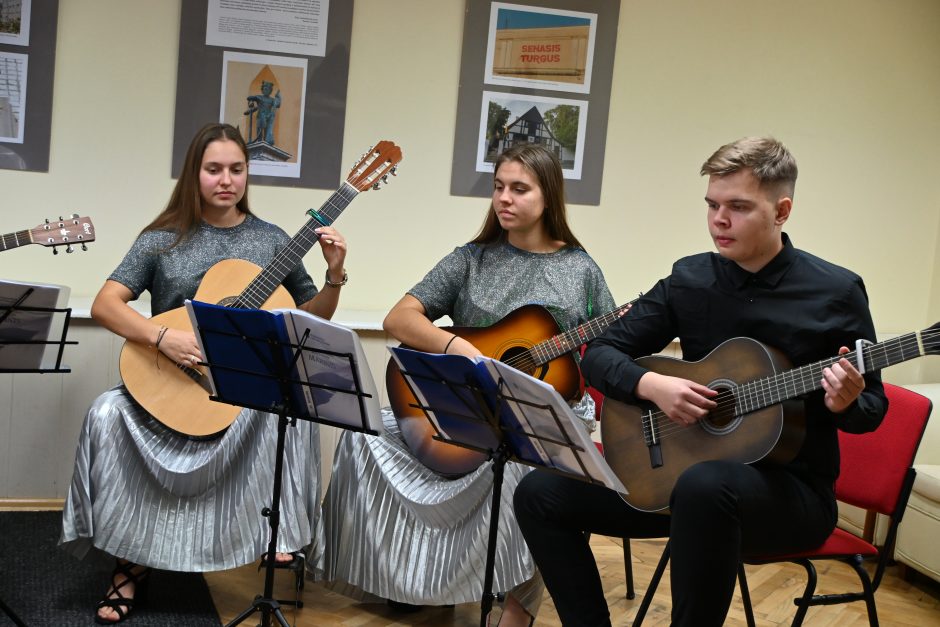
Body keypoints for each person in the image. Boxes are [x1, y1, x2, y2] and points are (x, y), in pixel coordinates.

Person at [514, 136, 889, 627]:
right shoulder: (690, 279)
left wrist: (846, 402)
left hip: (790, 495)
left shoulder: (836, 291)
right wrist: (652, 386)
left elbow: (873, 408)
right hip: (681, 471)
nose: (718, 219)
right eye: (712, 205)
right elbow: (601, 354)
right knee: (540, 493)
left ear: (782, 211)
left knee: (705, 487)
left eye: (738, 207)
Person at [59, 122, 348, 624]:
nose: (226, 180)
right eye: (214, 169)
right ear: (194, 173)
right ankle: (128, 568)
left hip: (237, 393)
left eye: (236, 169)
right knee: (106, 412)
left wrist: (335, 274)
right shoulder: (162, 238)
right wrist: (161, 336)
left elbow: (311, 317)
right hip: (171, 384)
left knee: (289, 410)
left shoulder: (273, 241)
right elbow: (107, 304)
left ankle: (272, 535)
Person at [319, 143, 616, 626]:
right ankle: (417, 581)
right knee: (363, 435)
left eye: (519, 189)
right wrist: (458, 348)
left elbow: (610, 339)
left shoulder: (579, 268)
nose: (504, 198)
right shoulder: (470, 259)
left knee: (532, 472)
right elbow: (400, 318)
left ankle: (517, 608)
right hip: (465, 407)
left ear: (548, 196)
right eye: (499, 187)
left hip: (544, 412)